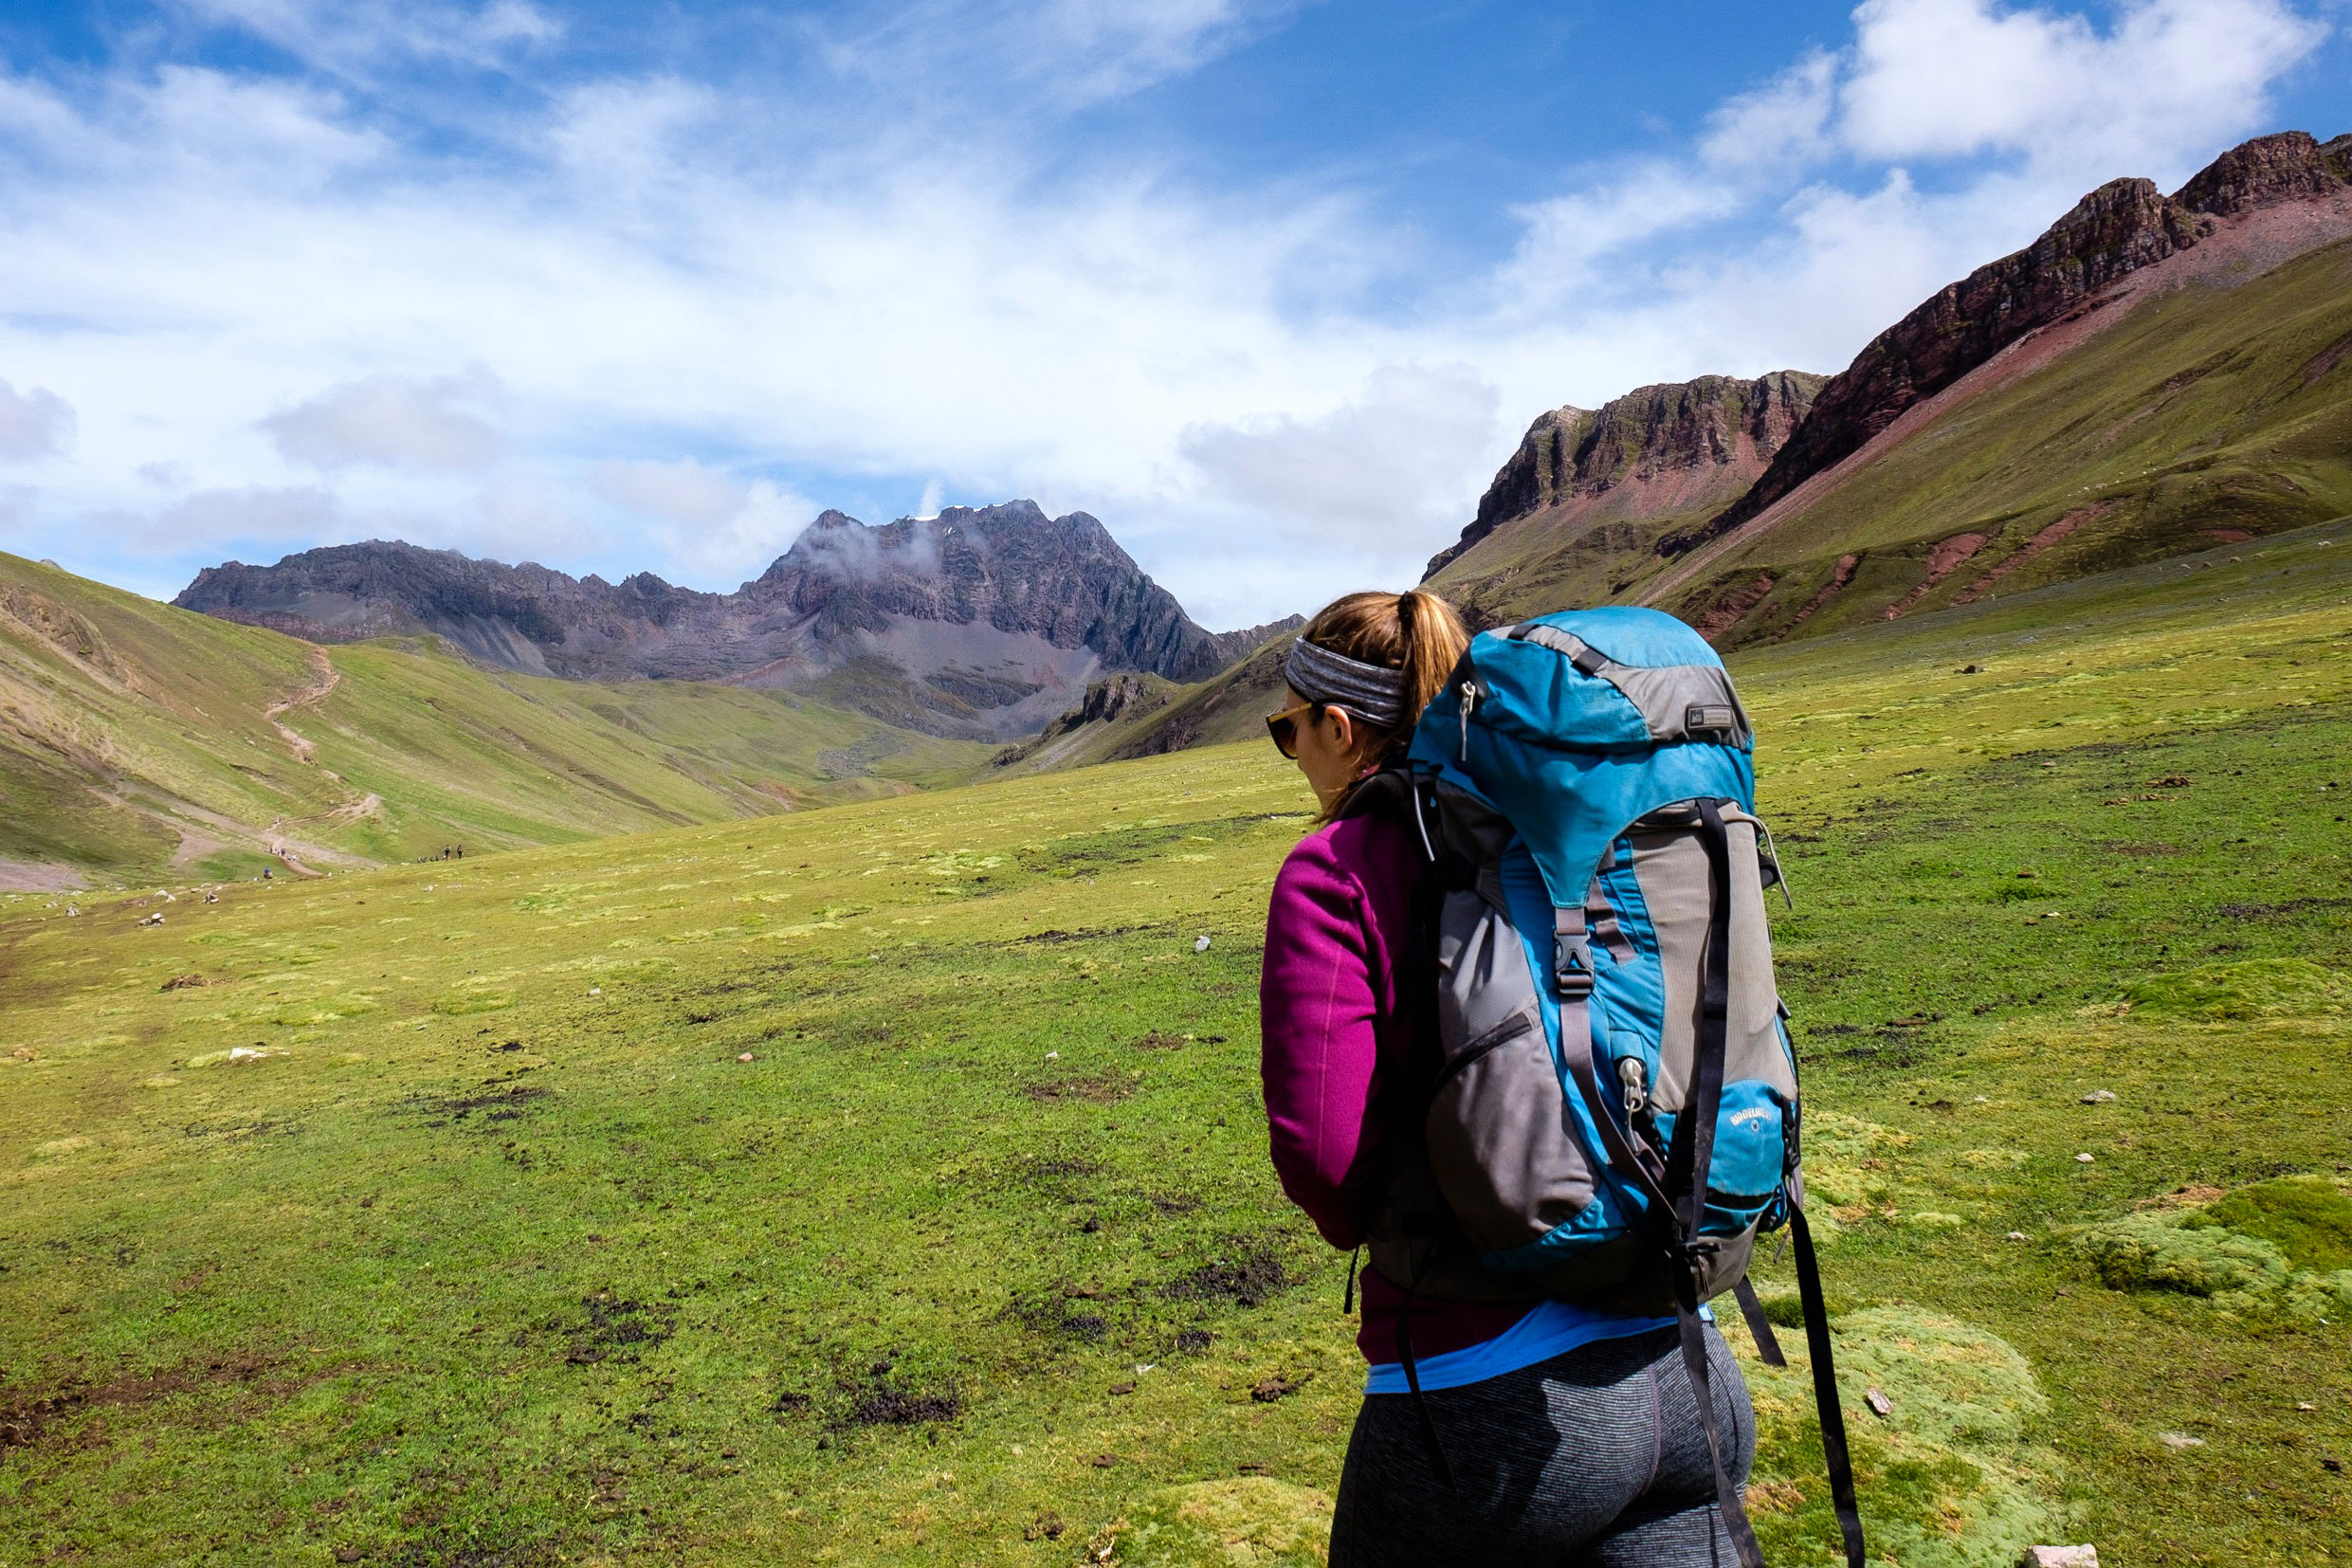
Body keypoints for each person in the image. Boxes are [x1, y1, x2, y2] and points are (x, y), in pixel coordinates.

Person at [1259, 589, 1756, 1566]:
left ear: (1341, 727)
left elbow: (1326, 1163)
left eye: (1288, 730)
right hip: (1685, 1361)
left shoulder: (1337, 870)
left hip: (1476, 1411)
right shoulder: (1560, 826)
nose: (1288, 753)